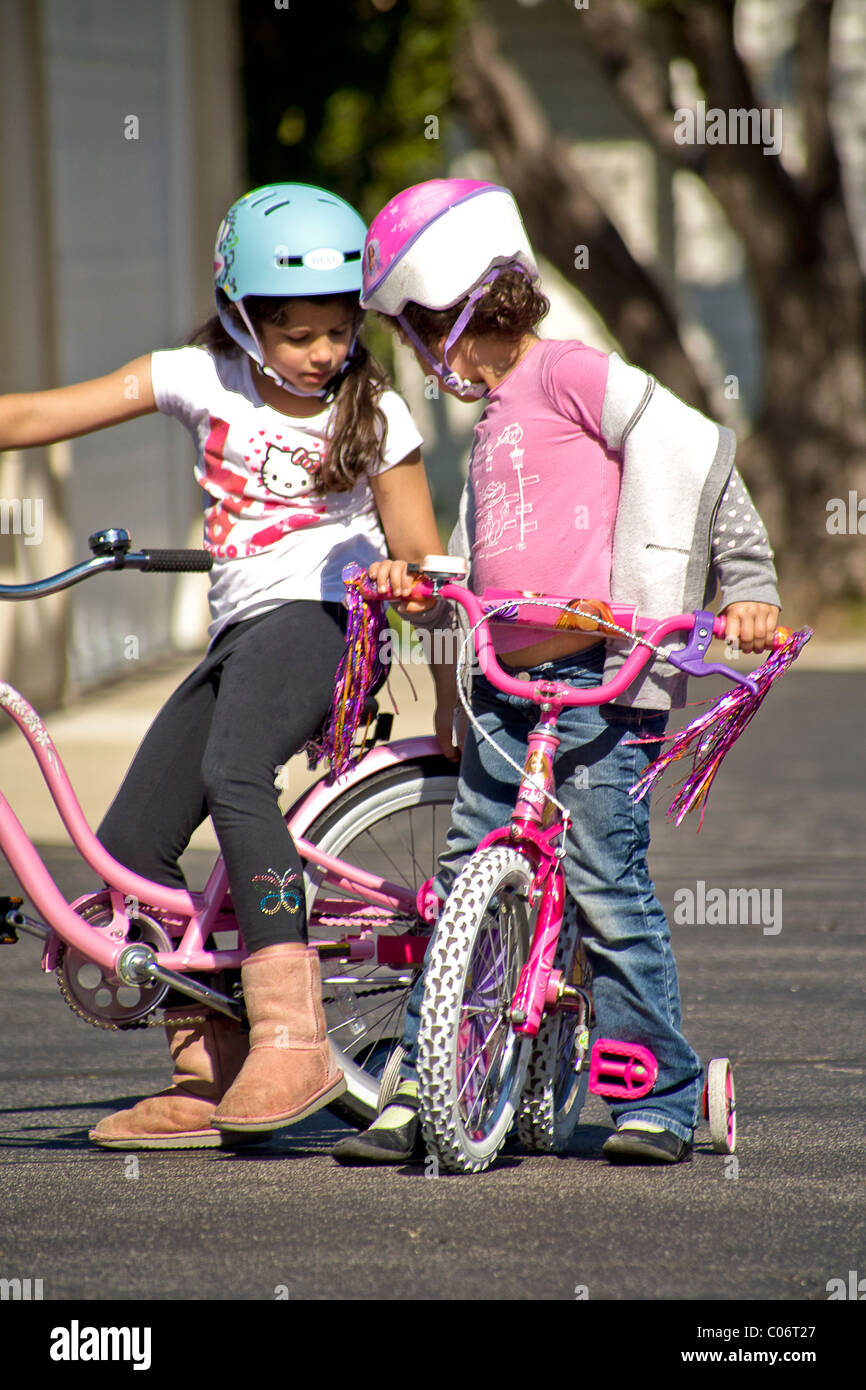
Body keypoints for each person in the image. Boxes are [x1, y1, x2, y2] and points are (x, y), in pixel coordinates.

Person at [333, 177, 780, 1166]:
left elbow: (694, 451)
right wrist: (425, 591)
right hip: (503, 690)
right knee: (461, 886)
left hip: (596, 689)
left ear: (450, 304)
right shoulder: (492, 416)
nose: (411, 352)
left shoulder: (570, 372)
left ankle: (654, 1092)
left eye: (411, 327)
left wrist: (746, 581)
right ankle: (424, 1077)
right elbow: (478, 553)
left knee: (603, 883)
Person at [0, 182, 455, 1149]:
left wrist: (406, 577)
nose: (326, 352)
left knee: (234, 772)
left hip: (329, 623)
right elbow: (40, 413)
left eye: (338, 329)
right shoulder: (198, 376)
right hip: (243, 636)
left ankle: (295, 1039)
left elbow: (423, 551)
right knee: (127, 850)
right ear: (243, 320)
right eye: (299, 334)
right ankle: (208, 1067)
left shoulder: (375, 414)